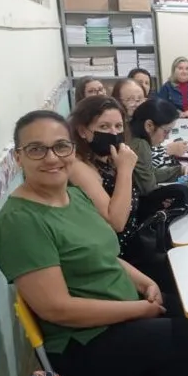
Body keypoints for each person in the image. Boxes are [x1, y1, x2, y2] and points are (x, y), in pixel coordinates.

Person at [0, 110, 188, 376]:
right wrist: (139, 310)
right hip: (83, 341)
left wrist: (144, 282)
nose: (52, 158)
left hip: (118, 311)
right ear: (18, 157)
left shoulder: (75, 196)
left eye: (60, 147)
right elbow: (58, 309)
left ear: (73, 149)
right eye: (36, 149)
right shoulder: (20, 221)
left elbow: (106, 255)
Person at [67, 96, 140, 258]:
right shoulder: (78, 166)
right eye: (104, 126)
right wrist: (125, 171)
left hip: (134, 242)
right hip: (112, 256)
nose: (114, 133)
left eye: (118, 126)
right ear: (82, 131)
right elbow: (116, 222)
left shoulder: (107, 158)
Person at [128, 99, 188, 195]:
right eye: (166, 131)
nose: (167, 137)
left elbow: (149, 174)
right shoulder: (140, 145)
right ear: (149, 125)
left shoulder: (134, 137)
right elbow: (153, 193)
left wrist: (178, 171)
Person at [113, 79, 188, 170]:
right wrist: (167, 150)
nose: (137, 104)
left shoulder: (140, 121)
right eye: (130, 99)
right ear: (117, 101)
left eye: (140, 99)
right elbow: (140, 164)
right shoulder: (117, 129)